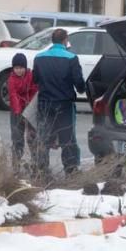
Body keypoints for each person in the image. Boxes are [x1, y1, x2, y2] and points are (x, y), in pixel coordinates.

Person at [32, 29, 85, 175]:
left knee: (43, 137)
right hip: (64, 104)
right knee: (67, 138)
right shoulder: (72, 58)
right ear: (65, 40)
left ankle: (41, 169)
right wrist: (82, 88)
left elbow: (35, 79)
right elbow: (79, 83)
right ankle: (71, 169)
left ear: (52, 40)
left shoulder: (39, 57)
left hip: (45, 103)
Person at [7, 52, 38, 172]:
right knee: (17, 139)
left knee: (33, 138)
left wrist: (30, 107)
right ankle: (16, 166)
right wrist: (18, 111)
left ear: (25, 67)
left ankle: (35, 163)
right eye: (16, 68)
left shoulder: (30, 76)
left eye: (21, 68)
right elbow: (13, 96)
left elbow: (34, 90)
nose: (19, 71)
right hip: (17, 111)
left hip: (30, 109)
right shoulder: (11, 80)